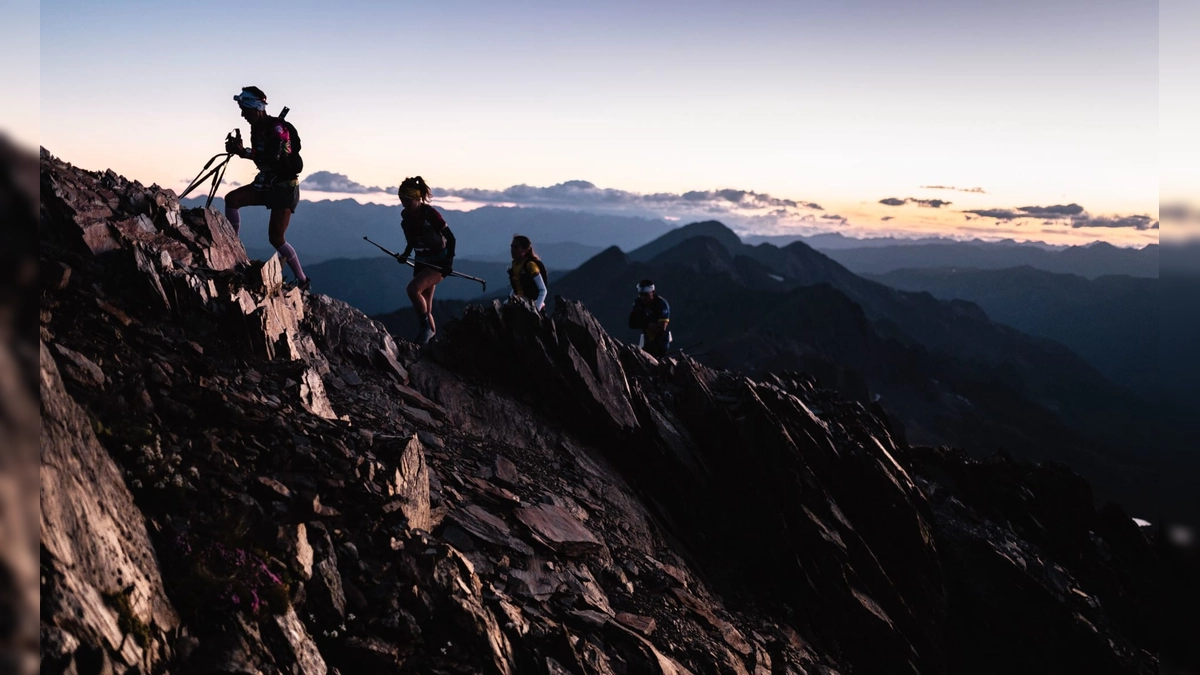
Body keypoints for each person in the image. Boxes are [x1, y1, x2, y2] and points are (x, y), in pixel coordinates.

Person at [223, 86, 310, 289]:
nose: (243, 114)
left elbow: (273, 158)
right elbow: (262, 155)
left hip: (283, 188)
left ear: (257, 108)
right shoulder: (258, 128)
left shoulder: (277, 129)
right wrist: (242, 151)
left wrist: (243, 151)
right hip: (267, 183)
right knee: (232, 199)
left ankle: (303, 280)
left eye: (245, 109)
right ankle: (233, 247)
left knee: (276, 238)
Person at [396, 176, 456, 344]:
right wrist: (405, 255)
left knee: (413, 289)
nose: (404, 204)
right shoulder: (407, 217)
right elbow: (412, 241)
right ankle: (431, 342)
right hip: (421, 262)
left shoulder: (431, 214)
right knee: (427, 308)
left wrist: (448, 263)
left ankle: (426, 329)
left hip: (438, 264)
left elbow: (451, 238)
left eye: (407, 200)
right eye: (402, 200)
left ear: (416, 198)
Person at [628, 279, 671, 358]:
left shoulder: (661, 304)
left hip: (661, 341)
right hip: (646, 338)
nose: (643, 298)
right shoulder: (638, 302)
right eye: (641, 295)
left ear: (653, 293)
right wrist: (648, 325)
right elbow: (631, 323)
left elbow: (661, 330)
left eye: (646, 295)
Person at [507, 235, 549, 312]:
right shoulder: (515, 264)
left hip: (529, 302)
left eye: (516, 247)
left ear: (525, 250)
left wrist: (536, 310)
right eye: (512, 247)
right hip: (518, 299)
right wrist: (509, 299)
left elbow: (543, 290)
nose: (512, 250)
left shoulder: (530, 265)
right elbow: (517, 286)